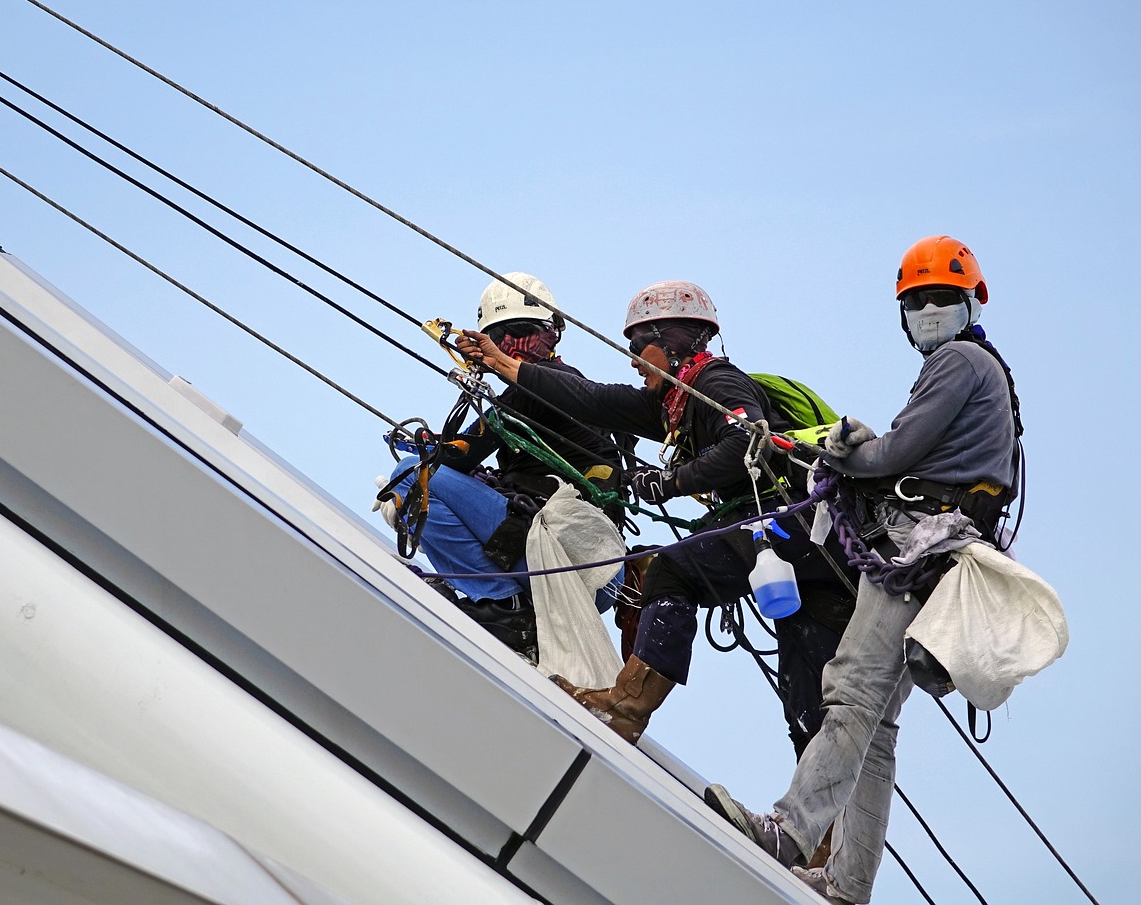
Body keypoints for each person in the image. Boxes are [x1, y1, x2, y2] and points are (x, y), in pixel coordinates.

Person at [703, 236, 1022, 905]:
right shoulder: (987, 371)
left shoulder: (959, 361)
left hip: (920, 553)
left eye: (941, 298)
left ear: (971, 303)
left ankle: (784, 834)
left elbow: (895, 453)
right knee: (875, 728)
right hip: (946, 556)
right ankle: (846, 883)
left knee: (849, 694)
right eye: (918, 301)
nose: (930, 309)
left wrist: (843, 449)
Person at [457, 281, 856, 752]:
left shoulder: (716, 383)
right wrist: (508, 366)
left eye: (636, 345)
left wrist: (671, 482)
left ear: (672, 339)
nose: (631, 358)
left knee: (672, 569)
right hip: (816, 547)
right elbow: (592, 399)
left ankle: (625, 706)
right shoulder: (671, 403)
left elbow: (745, 440)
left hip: (791, 522)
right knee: (805, 687)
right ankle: (824, 824)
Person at [382, 272, 626, 662]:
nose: (511, 348)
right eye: (499, 339)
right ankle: (512, 611)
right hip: (591, 571)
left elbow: (459, 453)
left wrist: (432, 449)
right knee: (433, 480)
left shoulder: (546, 385)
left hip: (570, 558)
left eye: (523, 334)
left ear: (552, 336)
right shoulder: (565, 391)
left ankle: (500, 604)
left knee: (412, 475)